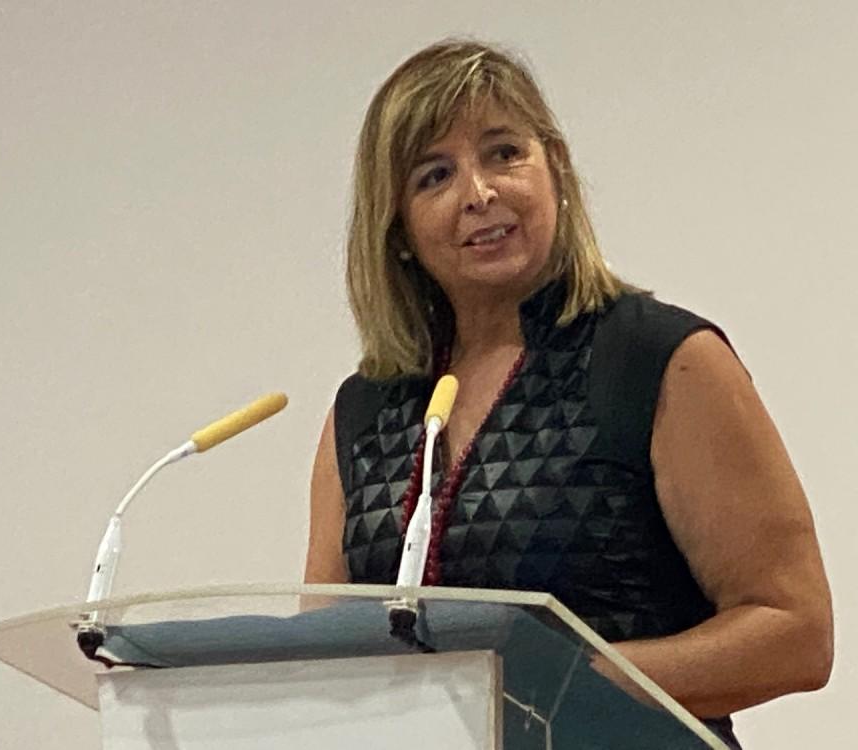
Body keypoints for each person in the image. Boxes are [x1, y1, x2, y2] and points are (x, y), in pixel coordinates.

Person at [304, 39, 833, 747]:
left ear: (554, 166)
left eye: (503, 153)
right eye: (435, 175)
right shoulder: (364, 412)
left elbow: (795, 633)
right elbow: (318, 662)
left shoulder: (656, 360)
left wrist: (551, 685)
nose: (479, 193)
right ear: (397, 228)